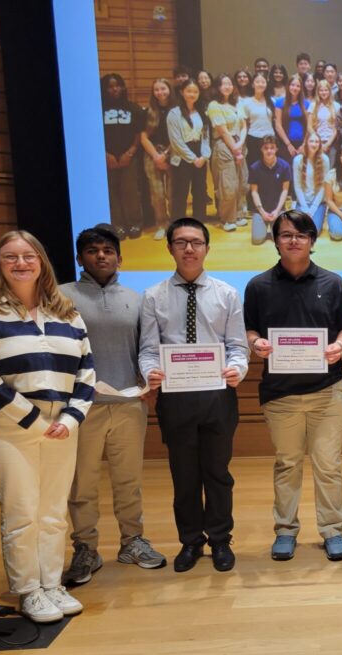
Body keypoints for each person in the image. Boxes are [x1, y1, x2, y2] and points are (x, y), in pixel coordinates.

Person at [0, 231, 94, 622]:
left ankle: (51, 583)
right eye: (10, 257)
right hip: (5, 426)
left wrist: (70, 418)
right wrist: (33, 419)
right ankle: (29, 590)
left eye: (28, 255)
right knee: (22, 512)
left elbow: (87, 370)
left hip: (61, 426)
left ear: (41, 261)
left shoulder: (67, 311)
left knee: (52, 511)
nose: (21, 263)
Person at [243, 210, 342, 562]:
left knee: (328, 466)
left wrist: (340, 346)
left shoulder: (333, 283)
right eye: (286, 234)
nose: (293, 240)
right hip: (281, 395)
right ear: (276, 241)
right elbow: (249, 328)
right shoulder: (258, 286)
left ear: (311, 240)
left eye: (301, 234)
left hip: (327, 392)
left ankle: (333, 530)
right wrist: (255, 343)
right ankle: (285, 530)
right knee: (287, 464)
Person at [139, 218, 247, 572]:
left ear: (207, 248)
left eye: (196, 242)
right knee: (184, 475)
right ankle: (190, 540)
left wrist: (237, 368)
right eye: (181, 242)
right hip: (176, 398)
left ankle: (220, 539)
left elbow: (237, 346)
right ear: (169, 247)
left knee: (217, 473)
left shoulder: (227, 294)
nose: (189, 249)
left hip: (218, 396)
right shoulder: (153, 296)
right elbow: (148, 350)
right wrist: (149, 372)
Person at [60, 227, 165, 586]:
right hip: (81, 407)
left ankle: (132, 541)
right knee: (82, 484)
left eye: (108, 250)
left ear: (120, 258)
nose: (101, 256)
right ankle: (86, 548)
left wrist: (148, 382)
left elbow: (147, 348)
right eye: (93, 250)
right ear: (80, 258)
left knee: (128, 479)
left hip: (129, 405)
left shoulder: (137, 299)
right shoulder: (60, 296)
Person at [101, 73, 145, 239]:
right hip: (107, 158)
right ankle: (117, 225)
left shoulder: (133, 108)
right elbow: (93, 134)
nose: (114, 89)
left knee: (130, 191)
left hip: (129, 158)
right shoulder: (96, 109)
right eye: (110, 87)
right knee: (111, 192)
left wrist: (130, 152)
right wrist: (106, 155)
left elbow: (138, 133)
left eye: (117, 85)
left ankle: (134, 222)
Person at [207, 73, 249, 232]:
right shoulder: (214, 105)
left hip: (239, 143)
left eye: (230, 83)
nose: (227, 86)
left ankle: (238, 214)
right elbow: (223, 131)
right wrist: (236, 150)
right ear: (217, 87)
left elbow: (244, 126)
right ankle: (227, 218)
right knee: (228, 184)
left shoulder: (237, 102)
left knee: (241, 181)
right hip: (224, 145)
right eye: (223, 84)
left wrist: (240, 144)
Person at [167, 80, 211, 220]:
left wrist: (204, 156)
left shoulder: (201, 112)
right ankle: (178, 222)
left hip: (200, 153)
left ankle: (199, 219)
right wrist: (192, 158)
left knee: (200, 190)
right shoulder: (174, 113)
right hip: (182, 156)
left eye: (195, 91)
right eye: (189, 91)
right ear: (182, 92)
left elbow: (205, 137)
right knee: (180, 192)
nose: (192, 94)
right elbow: (176, 141)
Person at [140, 78, 172, 240]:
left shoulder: (177, 110)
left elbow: (179, 137)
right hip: (152, 156)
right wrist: (156, 156)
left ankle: (174, 223)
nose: (160, 92)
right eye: (157, 89)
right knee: (157, 194)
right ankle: (161, 224)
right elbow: (143, 137)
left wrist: (165, 155)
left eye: (163, 88)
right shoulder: (147, 112)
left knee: (172, 193)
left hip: (172, 154)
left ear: (169, 89)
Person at [248, 134, 291, 245]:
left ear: (276, 149)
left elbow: (285, 191)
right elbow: (254, 192)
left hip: (278, 209)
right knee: (257, 240)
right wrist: (262, 212)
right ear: (261, 149)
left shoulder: (285, 166)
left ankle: (274, 228)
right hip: (260, 210)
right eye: (266, 148)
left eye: (272, 148)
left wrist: (277, 210)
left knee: (279, 239)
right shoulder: (254, 167)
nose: (269, 151)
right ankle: (265, 227)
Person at [292, 132, 330, 233]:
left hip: (318, 203)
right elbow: (297, 186)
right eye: (311, 141)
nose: (314, 144)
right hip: (302, 201)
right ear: (306, 143)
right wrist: (304, 208)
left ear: (320, 144)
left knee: (314, 230)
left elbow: (323, 187)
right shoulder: (297, 160)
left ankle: (320, 215)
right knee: (300, 229)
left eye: (317, 142)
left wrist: (313, 208)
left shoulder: (325, 159)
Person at [242, 72, 276, 182]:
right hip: (253, 138)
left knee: (270, 166)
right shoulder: (246, 102)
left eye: (263, 82)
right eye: (257, 82)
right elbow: (245, 124)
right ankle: (254, 191)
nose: (260, 84)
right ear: (253, 84)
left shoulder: (272, 101)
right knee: (254, 167)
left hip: (270, 139)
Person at [274, 74, 310, 166]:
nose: (295, 88)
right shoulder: (280, 102)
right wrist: (288, 144)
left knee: (301, 169)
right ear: (288, 86)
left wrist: (304, 144)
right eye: (292, 85)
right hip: (285, 143)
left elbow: (309, 126)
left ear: (301, 88)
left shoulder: (306, 104)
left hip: (302, 143)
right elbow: (278, 125)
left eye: (298, 86)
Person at [308, 79, 339, 159]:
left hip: (332, 143)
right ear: (318, 92)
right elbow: (309, 127)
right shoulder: (313, 105)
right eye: (321, 90)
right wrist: (319, 142)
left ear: (329, 91)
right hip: (317, 143)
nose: (324, 92)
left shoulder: (336, 106)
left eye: (326, 90)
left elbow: (336, 128)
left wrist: (328, 144)